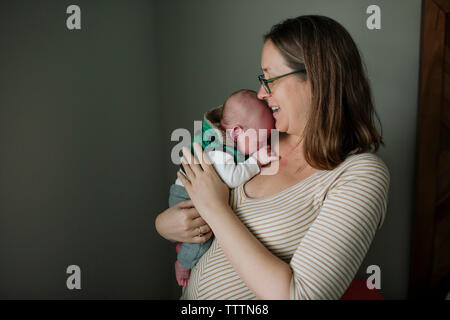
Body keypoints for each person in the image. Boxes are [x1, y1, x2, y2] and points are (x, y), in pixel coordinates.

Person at [155, 15, 390, 300]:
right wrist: (166, 226)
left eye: (271, 79)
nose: (261, 93)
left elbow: (300, 297)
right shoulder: (261, 141)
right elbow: (198, 204)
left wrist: (215, 207)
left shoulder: (360, 175)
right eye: (261, 79)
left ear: (317, 78)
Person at [170, 89, 278, 287]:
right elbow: (231, 178)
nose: (262, 146)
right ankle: (183, 263)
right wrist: (256, 161)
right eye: (260, 140)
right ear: (237, 132)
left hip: (189, 192)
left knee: (199, 236)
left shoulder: (224, 140)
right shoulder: (220, 151)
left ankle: (185, 245)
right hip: (186, 196)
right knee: (202, 236)